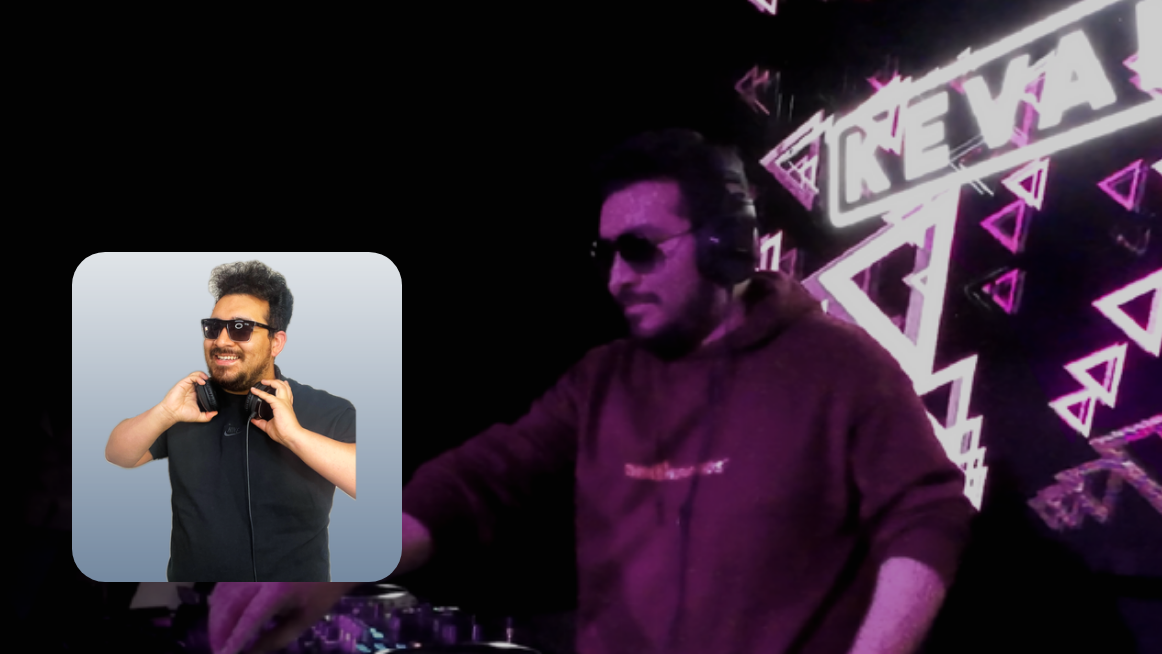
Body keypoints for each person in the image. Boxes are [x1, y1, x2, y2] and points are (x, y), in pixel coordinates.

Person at [208, 129, 975, 654]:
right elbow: (481, 479)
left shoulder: (837, 365)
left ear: (726, 244)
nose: (616, 279)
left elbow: (928, 514)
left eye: (641, 249)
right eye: (606, 253)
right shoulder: (603, 380)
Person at [104, 260, 358, 581]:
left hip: (293, 600)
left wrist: (294, 436)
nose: (222, 341)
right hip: (194, 597)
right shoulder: (188, 405)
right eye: (213, 328)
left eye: (240, 328)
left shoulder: (328, 409)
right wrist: (165, 413)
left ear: (276, 342)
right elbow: (118, 454)